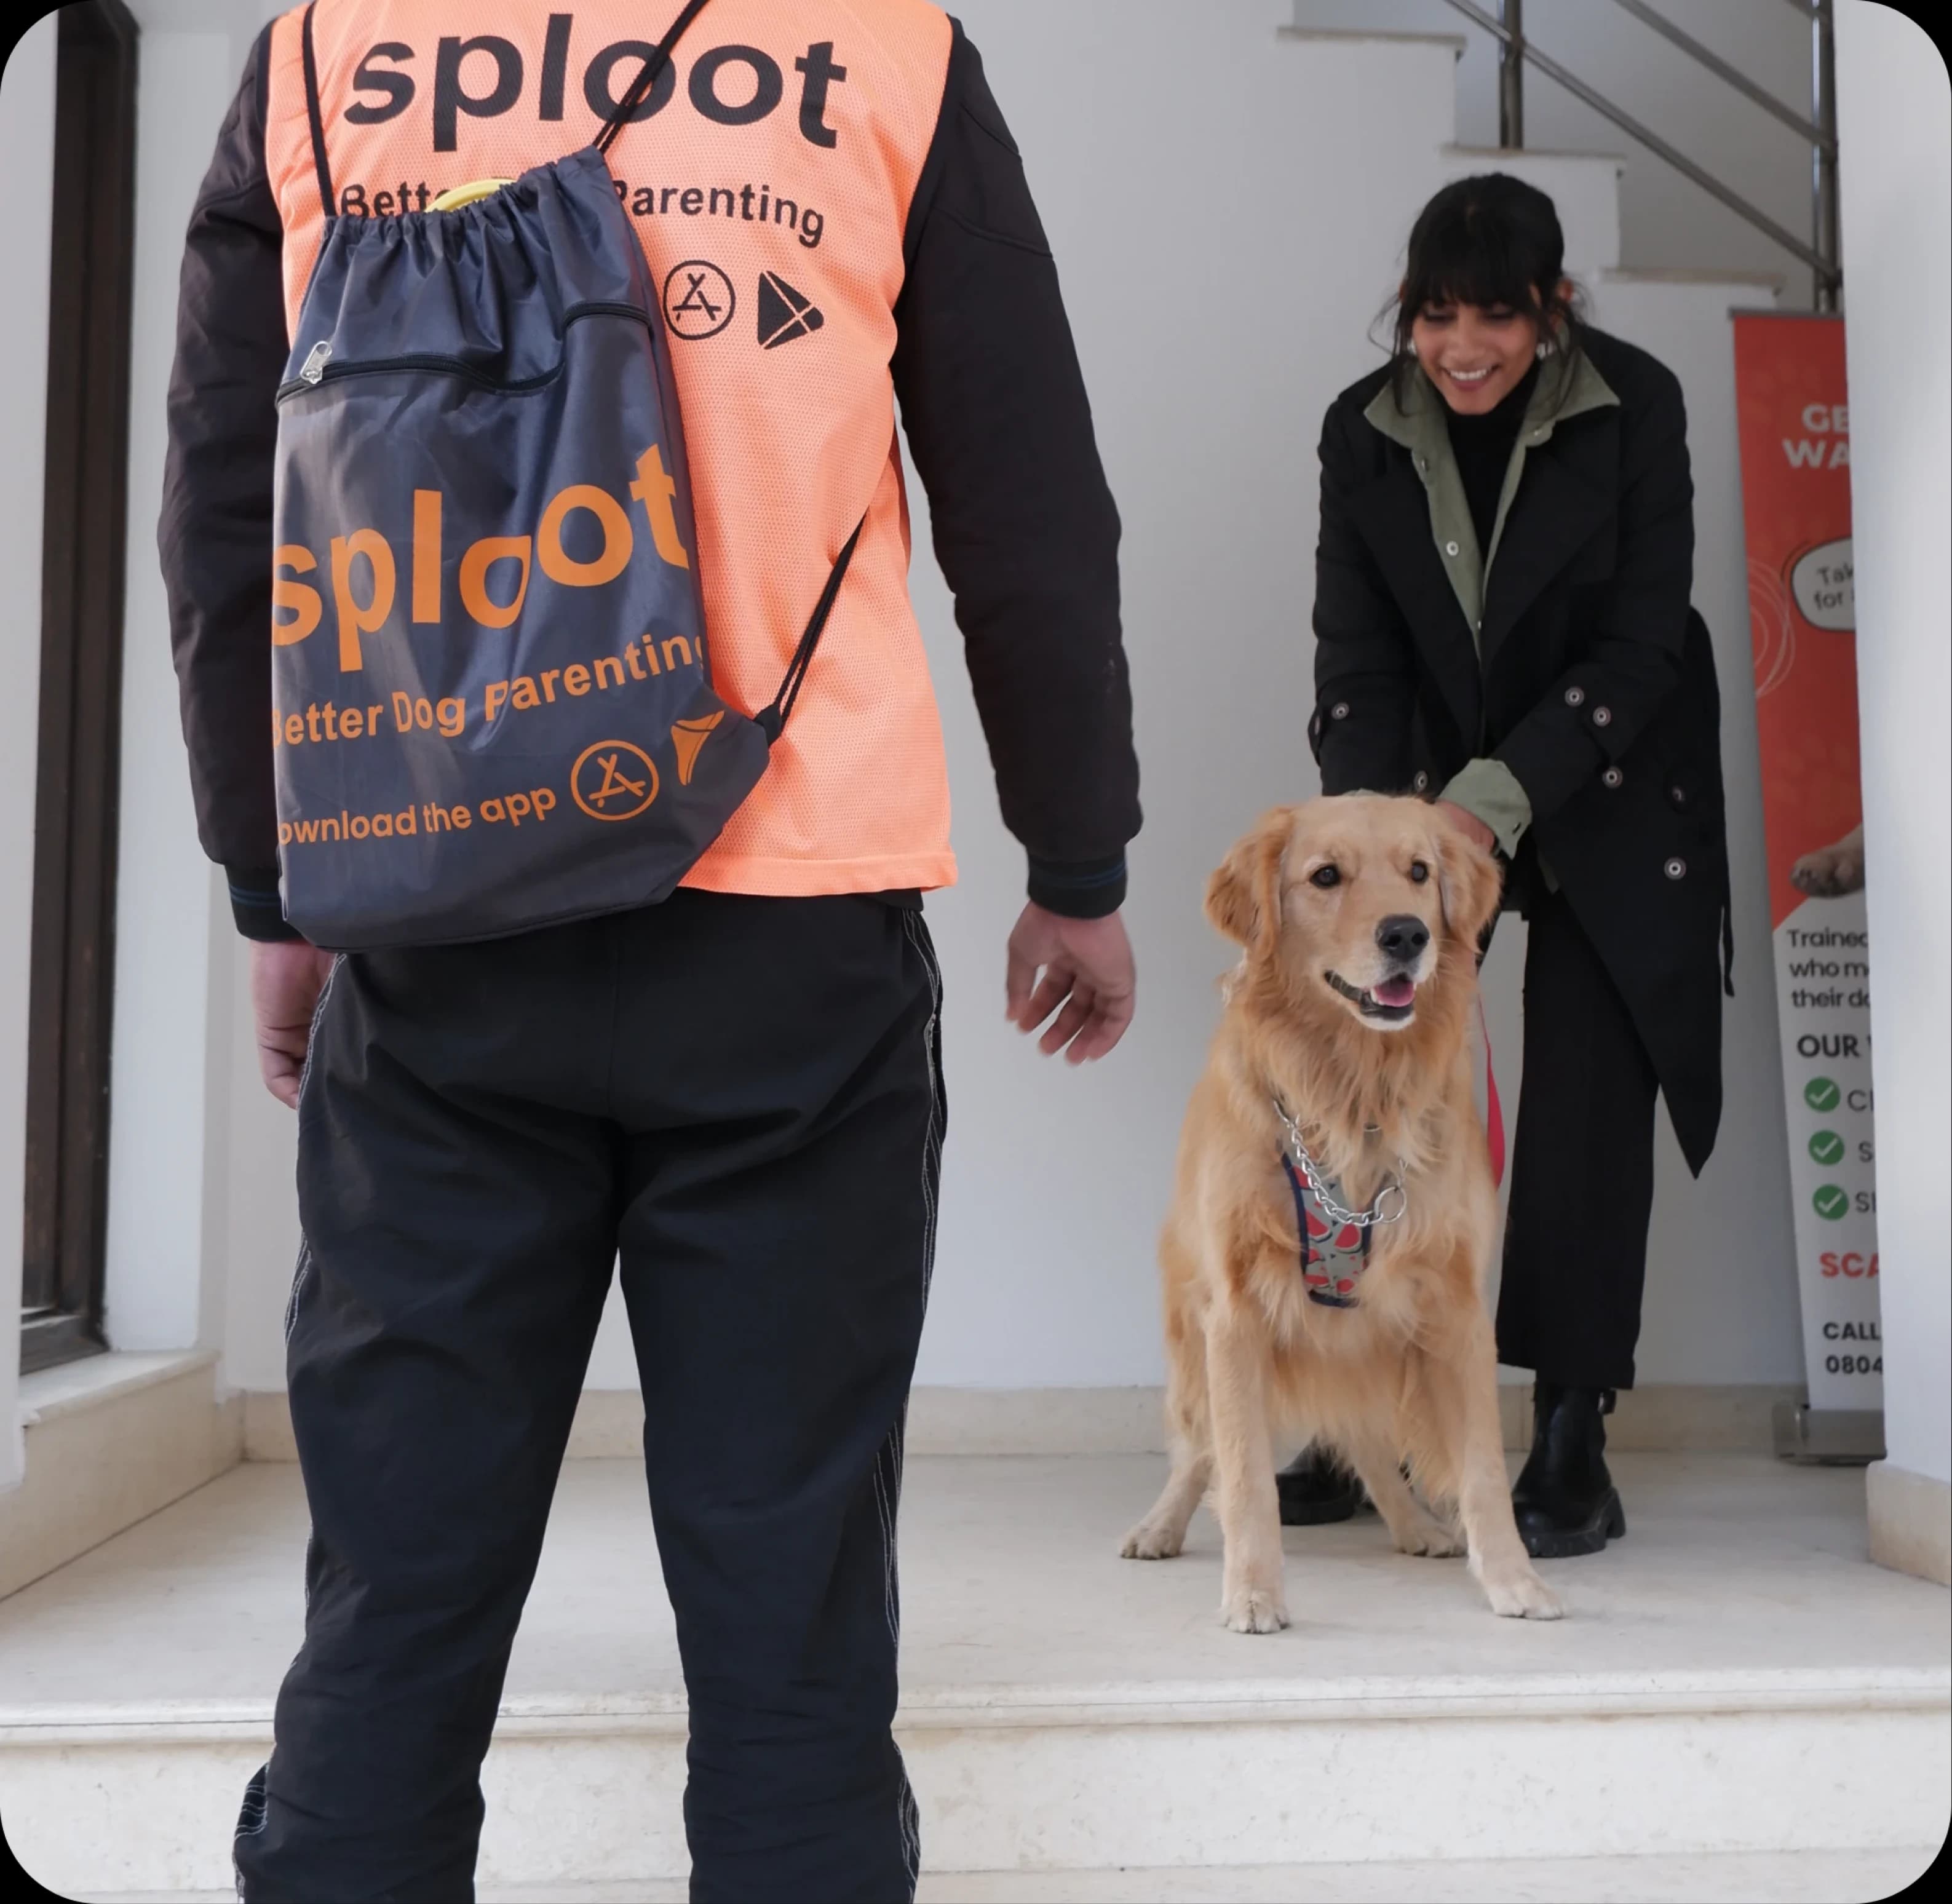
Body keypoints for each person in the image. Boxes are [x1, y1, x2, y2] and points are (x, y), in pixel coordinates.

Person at [159, 3, 1139, 1897]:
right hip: (791, 937)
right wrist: (1074, 858)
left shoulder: (322, 51)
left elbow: (229, 496)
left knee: (394, 1612)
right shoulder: (885, 50)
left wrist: (274, 890)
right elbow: (1025, 499)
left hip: (436, 923)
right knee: (792, 1624)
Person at [1276, 174, 1729, 1558]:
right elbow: (1355, 654)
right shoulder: (1362, 431)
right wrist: (1391, 831)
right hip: (1419, 795)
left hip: (1605, 774)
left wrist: (1493, 803)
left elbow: (1646, 638)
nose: (1463, 346)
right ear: (1407, 315)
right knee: (1367, 1087)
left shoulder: (1636, 404)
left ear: (1555, 310)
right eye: (1435, 316)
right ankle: (1365, 1417)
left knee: (1590, 1095)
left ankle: (1575, 1429)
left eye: (1497, 318)